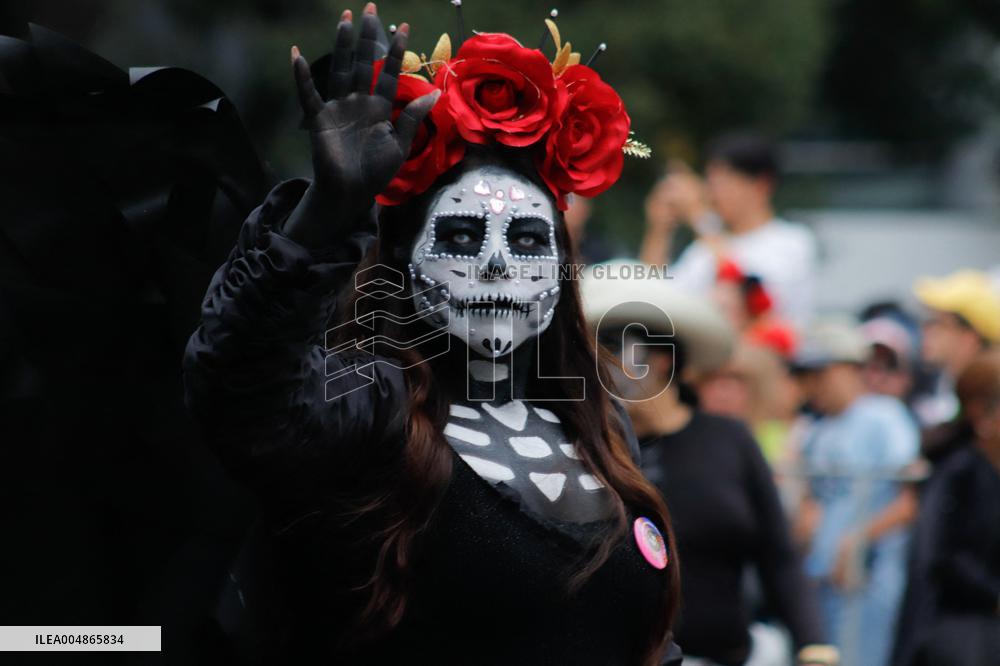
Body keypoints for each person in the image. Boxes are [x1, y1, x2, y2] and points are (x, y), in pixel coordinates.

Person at [182, 6, 681, 665]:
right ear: (406, 262)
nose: (499, 263)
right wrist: (324, 215)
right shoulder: (362, 411)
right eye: (463, 237)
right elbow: (242, 381)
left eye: (528, 240)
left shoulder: (600, 422)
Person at [582, 272, 833, 666]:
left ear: (662, 360)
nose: (603, 367)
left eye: (616, 349)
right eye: (597, 352)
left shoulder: (728, 440)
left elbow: (778, 553)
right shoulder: (591, 448)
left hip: (724, 654)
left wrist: (813, 642)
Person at [792, 320, 920, 666]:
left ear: (852, 369)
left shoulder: (885, 417)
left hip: (867, 580)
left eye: (822, 372)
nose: (812, 384)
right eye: (807, 374)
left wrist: (858, 539)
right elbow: (812, 498)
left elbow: (910, 500)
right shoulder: (816, 430)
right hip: (821, 580)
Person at [639, 134, 818, 329]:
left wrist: (699, 215)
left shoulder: (792, 242)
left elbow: (753, 302)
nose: (712, 193)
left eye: (723, 182)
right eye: (710, 182)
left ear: (761, 185)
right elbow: (654, 299)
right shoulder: (705, 248)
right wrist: (659, 230)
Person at [892, 350, 1000, 666]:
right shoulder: (959, 471)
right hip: (961, 632)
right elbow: (941, 556)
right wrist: (992, 595)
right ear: (981, 413)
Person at [911, 270, 1000, 461]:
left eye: (938, 323)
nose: (926, 331)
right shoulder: (950, 386)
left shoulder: (989, 397)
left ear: (970, 337)